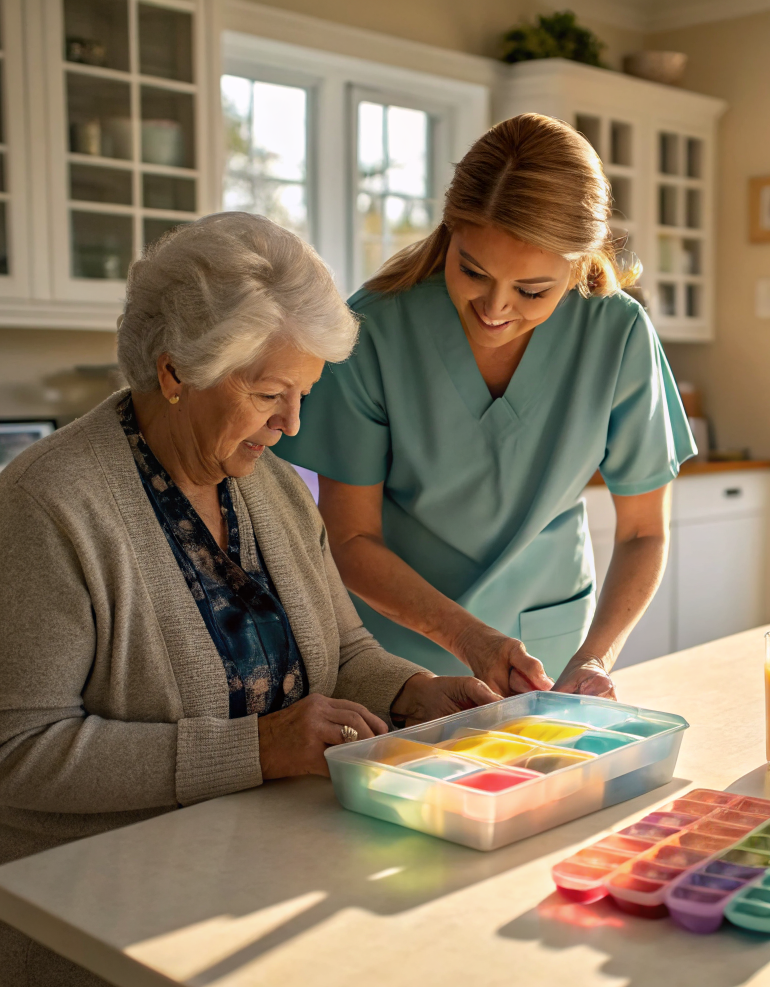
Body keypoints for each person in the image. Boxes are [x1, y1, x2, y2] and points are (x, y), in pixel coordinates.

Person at [0, 212, 498, 987]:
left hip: (263, 859)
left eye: (302, 394)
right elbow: (11, 752)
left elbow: (339, 651)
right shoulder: (48, 504)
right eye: (270, 394)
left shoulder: (268, 485)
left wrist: (413, 692)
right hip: (92, 903)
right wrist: (256, 749)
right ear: (175, 373)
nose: (292, 425)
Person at [274, 113, 696, 700]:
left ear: (577, 265)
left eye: (532, 291)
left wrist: (595, 658)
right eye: (472, 271)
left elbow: (644, 533)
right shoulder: (374, 330)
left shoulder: (617, 335)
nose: (496, 309)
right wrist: (466, 638)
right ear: (450, 232)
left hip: (550, 660)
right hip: (399, 664)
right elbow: (349, 541)